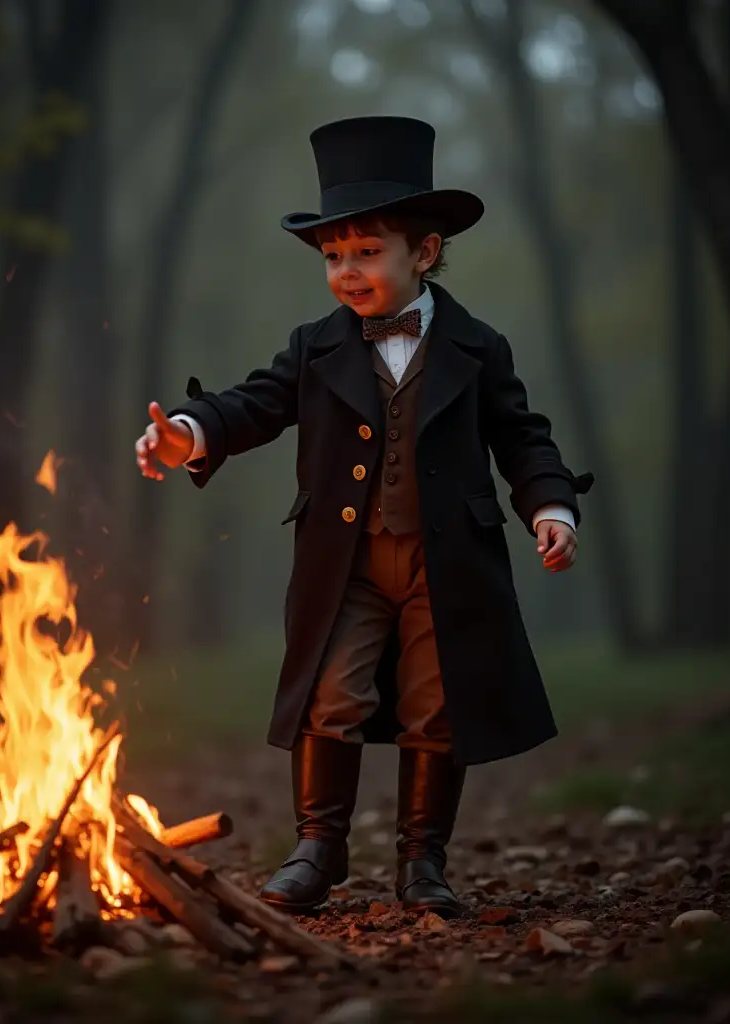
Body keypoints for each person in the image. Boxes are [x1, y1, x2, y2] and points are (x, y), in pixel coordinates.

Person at [135, 116, 592, 919]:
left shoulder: (479, 347)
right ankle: (318, 850)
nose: (346, 272)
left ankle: (423, 864)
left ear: (423, 251)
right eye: (332, 257)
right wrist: (193, 429)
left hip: (447, 563)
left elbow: (523, 438)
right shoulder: (315, 347)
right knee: (328, 696)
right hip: (344, 561)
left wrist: (550, 506)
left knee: (438, 700)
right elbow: (257, 403)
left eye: (366, 253)